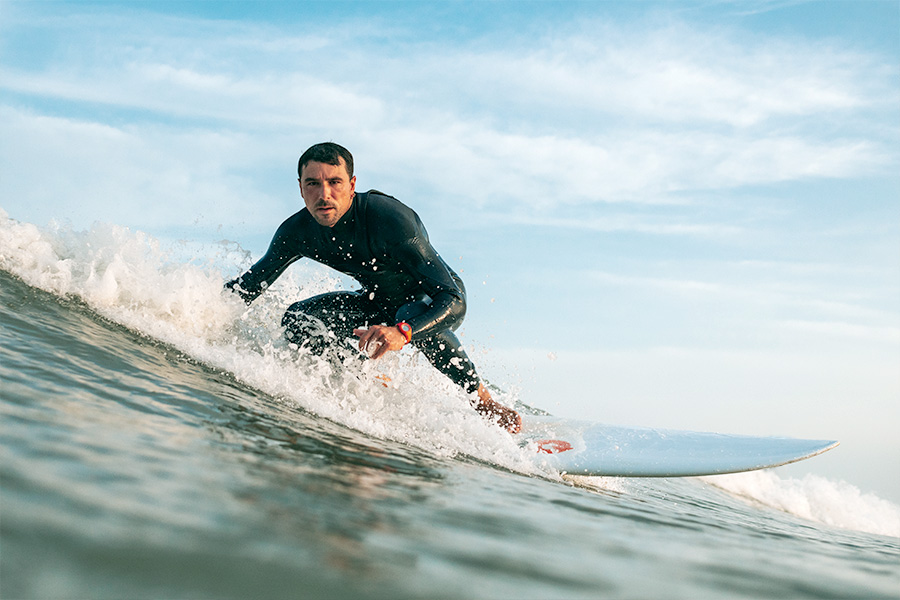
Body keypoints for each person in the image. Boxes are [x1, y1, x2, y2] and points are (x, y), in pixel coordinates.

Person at [226, 142, 521, 433]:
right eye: (313, 183)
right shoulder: (296, 233)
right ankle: (357, 385)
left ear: (352, 185)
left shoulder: (389, 219)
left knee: (407, 311)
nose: (324, 194)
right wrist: (190, 310)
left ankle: (483, 401)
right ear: (301, 189)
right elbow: (248, 287)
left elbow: (454, 299)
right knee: (298, 318)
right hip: (376, 302)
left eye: (335, 182)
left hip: (429, 303)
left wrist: (402, 332)